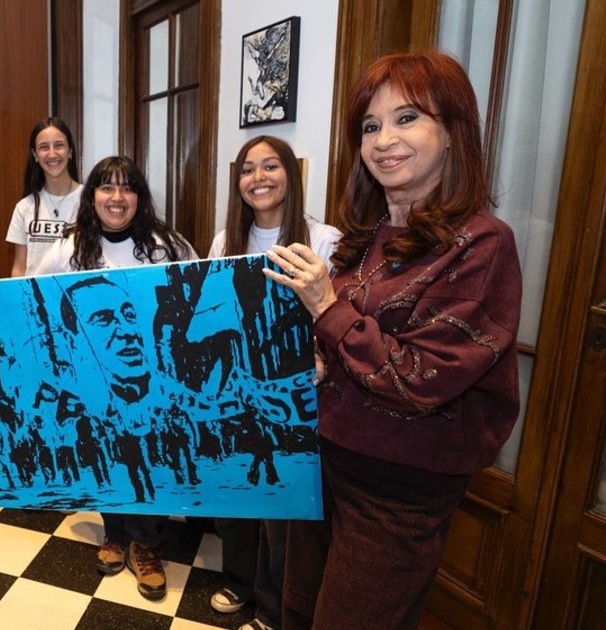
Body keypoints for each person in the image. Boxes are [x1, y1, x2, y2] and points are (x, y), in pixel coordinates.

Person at [264, 51, 522, 629]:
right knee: (297, 611)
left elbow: (418, 378)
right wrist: (318, 359)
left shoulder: (482, 243)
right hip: (324, 458)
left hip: (398, 490)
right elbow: (349, 341)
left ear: (452, 132)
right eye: (370, 126)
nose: (384, 140)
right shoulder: (368, 233)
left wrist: (325, 307)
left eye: (407, 118)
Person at [34, 155, 196, 601]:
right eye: (107, 187)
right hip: (96, 385)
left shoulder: (165, 245)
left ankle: (147, 545)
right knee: (108, 453)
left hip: (152, 379)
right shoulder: (69, 248)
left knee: (150, 455)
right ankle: (116, 533)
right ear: (93, 197)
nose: (117, 197)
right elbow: (35, 292)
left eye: (128, 187)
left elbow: (196, 287)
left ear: (140, 197)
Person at [207, 136, 342, 630]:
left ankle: (273, 610)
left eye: (270, 166)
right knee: (237, 496)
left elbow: (335, 314)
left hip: (293, 396)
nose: (258, 178)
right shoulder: (225, 240)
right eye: (247, 169)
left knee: (282, 511)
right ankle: (240, 582)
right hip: (237, 388)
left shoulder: (323, 240)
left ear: (291, 173)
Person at [6, 117, 83, 276]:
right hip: (35, 292)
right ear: (35, 155)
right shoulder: (24, 207)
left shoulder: (90, 201)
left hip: (76, 290)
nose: (52, 154)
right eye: (44, 147)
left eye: (59, 145)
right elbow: (19, 267)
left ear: (70, 151)